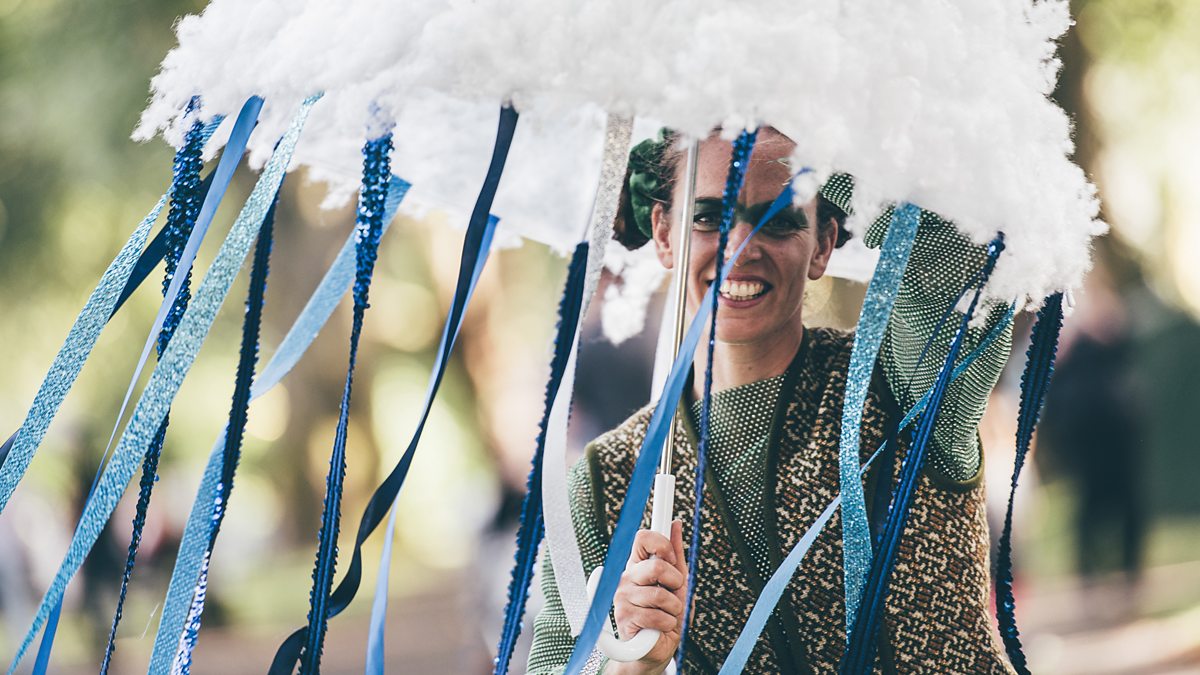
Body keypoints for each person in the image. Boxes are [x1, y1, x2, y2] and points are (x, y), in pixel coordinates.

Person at [525, 127, 1016, 674]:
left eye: (779, 219)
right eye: (708, 217)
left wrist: (800, 121)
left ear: (823, 243)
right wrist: (635, 663)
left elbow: (966, 252)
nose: (741, 247)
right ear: (664, 233)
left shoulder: (905, 385)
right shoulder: (607, 479)